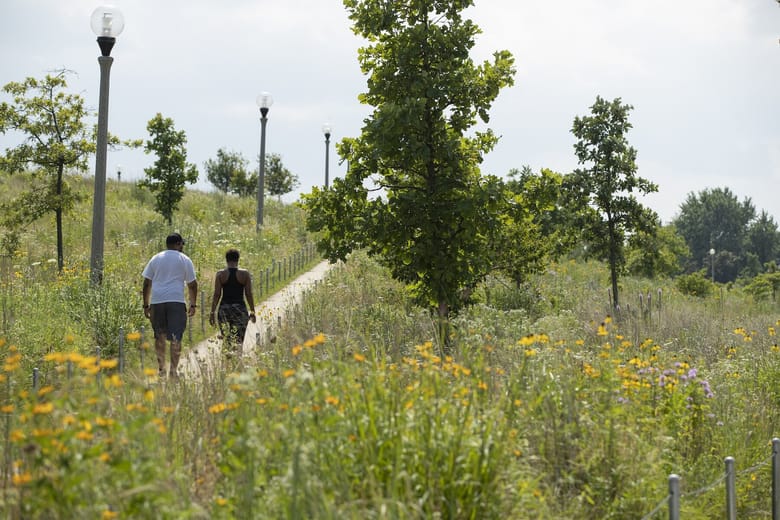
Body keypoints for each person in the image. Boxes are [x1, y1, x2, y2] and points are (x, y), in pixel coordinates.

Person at [142, 232, 198, 379]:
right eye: (182, 244)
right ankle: (173, 370)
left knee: (159, 336)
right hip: (176, 301)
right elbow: (192, 285)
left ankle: (161, 369)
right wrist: (193, 305)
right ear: (178, 244)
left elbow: (147, 283)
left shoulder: (155, 258)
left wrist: (145, 305)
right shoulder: (184, 259)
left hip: (157, 301)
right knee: (176, 338)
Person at [209, 248, 256, 353]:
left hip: (224, 310)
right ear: (238, 259)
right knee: (239, 340)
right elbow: (249, 294)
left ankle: (226, 363)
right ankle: (238, 363)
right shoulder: (245, 274)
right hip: (240, 310)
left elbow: (217, 294)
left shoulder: (220, 275)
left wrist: (212, 312)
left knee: (226, 339)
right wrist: (252, 310)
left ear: (226, 260)